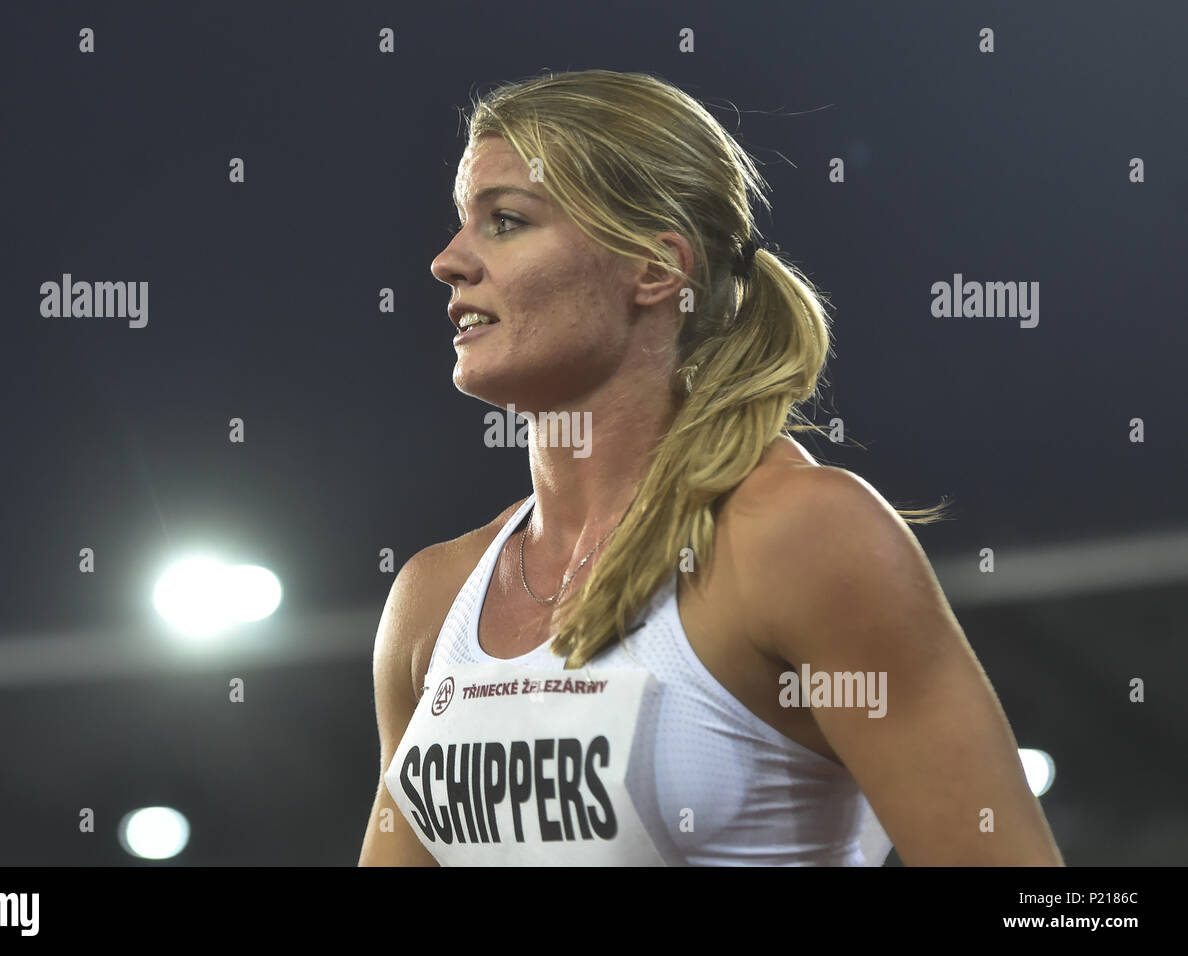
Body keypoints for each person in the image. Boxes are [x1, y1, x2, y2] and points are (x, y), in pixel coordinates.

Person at [358, 69, 1064, 866]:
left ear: (655, 270)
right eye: (462, 223)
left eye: (507, 221)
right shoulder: (435, 598)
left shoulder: (799, 537)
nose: (448, 261)